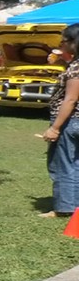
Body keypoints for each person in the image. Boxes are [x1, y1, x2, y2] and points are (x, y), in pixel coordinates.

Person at [39, 24, 79, 217]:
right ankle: (74, 205)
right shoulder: (74, 64)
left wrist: (55, 128)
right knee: (75, 163)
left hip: (70, 121)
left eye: (64, 41)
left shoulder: (76, 68)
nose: (61, 44)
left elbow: (70, 99)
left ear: (74, 42)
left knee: (63, 163)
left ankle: (64, 208)